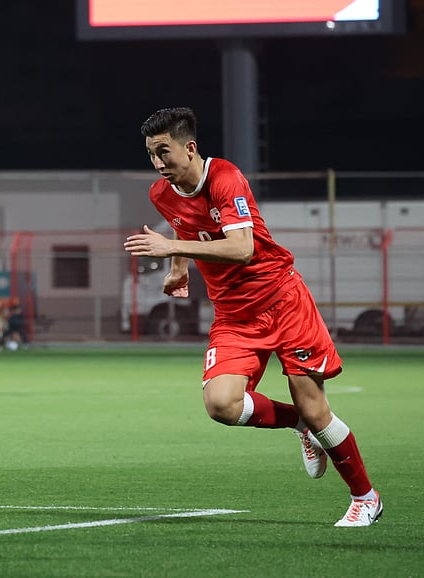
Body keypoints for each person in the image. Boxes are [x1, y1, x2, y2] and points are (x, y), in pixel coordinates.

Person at [123, 107, 381, 527]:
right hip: (234, 316)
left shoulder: (225, 178)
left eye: (164, 152)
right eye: (151, 154)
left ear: (189, 148)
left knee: (318, 409)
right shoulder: (161, 193)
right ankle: (300, 426)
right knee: (221, 404)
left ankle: (365, 498)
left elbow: (241, 248)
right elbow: (184, 229)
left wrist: (171, 252)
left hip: (282, 301)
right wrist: (176, 272)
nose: (157, 163)